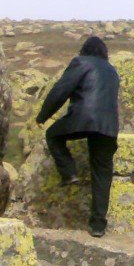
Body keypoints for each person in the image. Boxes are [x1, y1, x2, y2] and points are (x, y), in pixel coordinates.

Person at [35, 36, 120, 238]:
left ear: (85, 50)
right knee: (102, 173)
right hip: (108, 127)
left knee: (53, 135)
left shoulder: (81, 63)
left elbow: (61, 90)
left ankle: (69, 173)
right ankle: (98, 225)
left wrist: (43, 115)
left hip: (84, 118)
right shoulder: (112, 71)